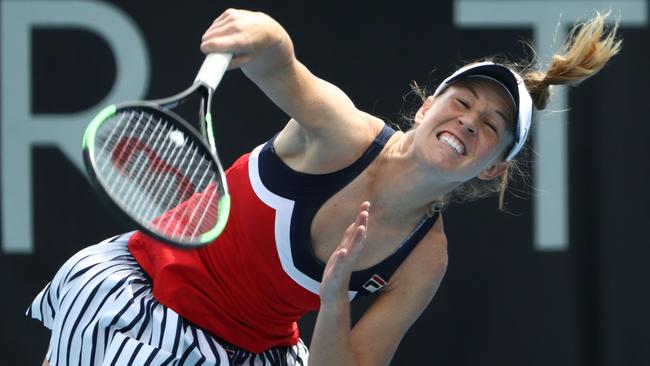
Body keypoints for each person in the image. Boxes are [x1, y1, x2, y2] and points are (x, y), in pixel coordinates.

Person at [28, 8, 620, 366]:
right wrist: (257, 33)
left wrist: (335, 296)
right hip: (142, 299)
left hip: (250, 352)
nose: (469, 121)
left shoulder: (423, 257)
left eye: (492, 126)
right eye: (462, 102)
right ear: (425, 108)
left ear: (493, 169)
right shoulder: (341, 132)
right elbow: (278, 63)